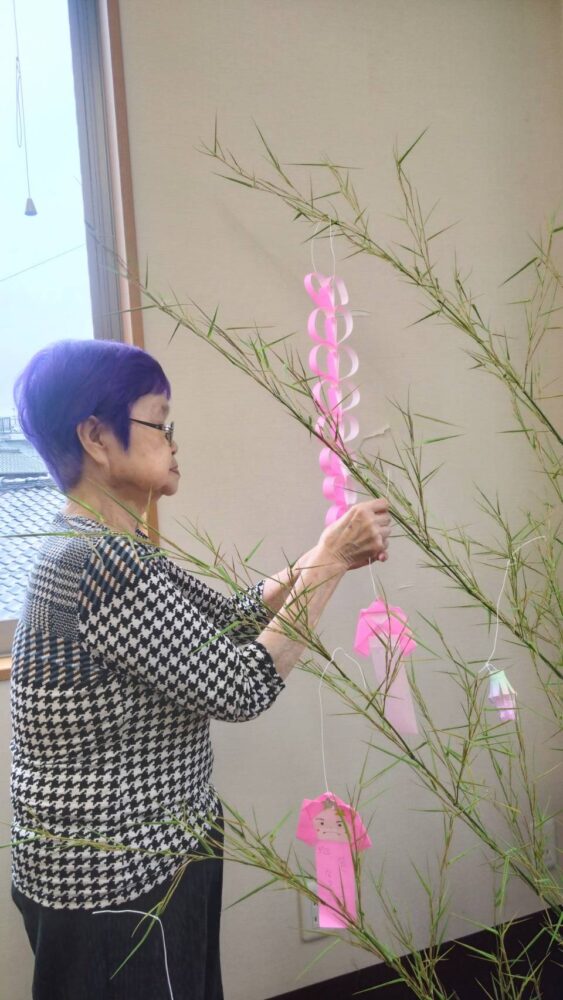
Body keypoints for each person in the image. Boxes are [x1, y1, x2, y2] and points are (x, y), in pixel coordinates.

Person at [10, 339, 391, 1000]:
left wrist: (320, 555)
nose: (174, 442)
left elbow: (225, 621)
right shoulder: (100, 560)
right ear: (96, 437)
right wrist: (330, 563)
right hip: (117, 878)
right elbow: (241, 686)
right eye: (160, 422)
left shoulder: (97, 544)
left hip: (134, 859)